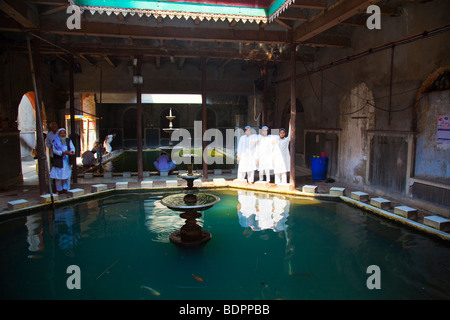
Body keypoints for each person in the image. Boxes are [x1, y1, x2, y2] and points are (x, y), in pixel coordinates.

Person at [50, 128, 75, 194]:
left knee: (67, 175)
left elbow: (72, 147)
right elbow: (55, 151)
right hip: (59, 160)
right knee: (58, 176)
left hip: (66, 160)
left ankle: (66, 188)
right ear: (58, 134)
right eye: (61, 133)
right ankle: (58, 189)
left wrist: (72, 151)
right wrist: (63, 153)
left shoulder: (68, 140)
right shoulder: (55, 141)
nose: (62, 134)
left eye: (64, 133)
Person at [273, 120, 291, 184]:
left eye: (283, 133)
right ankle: (277, 184)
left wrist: (290, 126)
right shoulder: (277, 140)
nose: (282, 134)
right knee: (277, 171)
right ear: (279, 133)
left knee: (283, 171)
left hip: (284, 157)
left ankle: (283, 184)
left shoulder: (286, 140)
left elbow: (290, 135)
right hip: (277, 158)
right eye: (281, 133)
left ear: (285, 133)